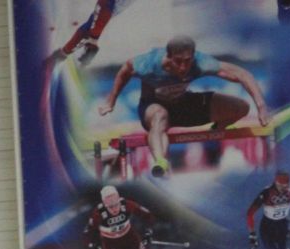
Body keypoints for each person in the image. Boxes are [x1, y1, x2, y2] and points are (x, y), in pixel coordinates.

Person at [98, 35, 270, 178]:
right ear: (168, 56)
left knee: (241, 107)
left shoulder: (201, 62)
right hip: (153, 108)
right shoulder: (149, 63)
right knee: (159, 115)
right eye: (178, 61)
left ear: (193, 56)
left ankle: (217, 129)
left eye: (187, 61)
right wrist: (111, 101)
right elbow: (125, 71)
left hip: (184, 105)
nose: (183, 67)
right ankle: (161, 162)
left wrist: (261, 106)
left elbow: (242, 74)